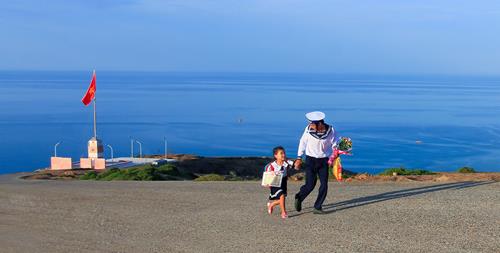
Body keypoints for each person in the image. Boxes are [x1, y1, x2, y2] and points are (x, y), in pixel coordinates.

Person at [294, 111, 339, 214]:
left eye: (312, 123)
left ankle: (317, 207)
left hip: (324, 161)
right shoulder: (308, 130)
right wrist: (299, 157)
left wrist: (335, 153)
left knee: (324, 184)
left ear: (319, 123)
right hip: (310, 160)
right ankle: (299, 197)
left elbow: (335, 143)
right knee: (310, 185)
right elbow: (303, 142)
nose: (310, 125)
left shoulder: (331, 130)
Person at [265, 146, 292, 219]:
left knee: (281, 198)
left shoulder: (287, 162)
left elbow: (295, 165)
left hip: (283, 181)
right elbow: (267, 176)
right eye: (281, 153)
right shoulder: (271, 166)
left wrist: (298, 162)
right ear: (276, 155)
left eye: (284, 153)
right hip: (275, 182)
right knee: (282, 195)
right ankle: (284, 212)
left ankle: (272, 204)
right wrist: (267, 183)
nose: (283, 155)